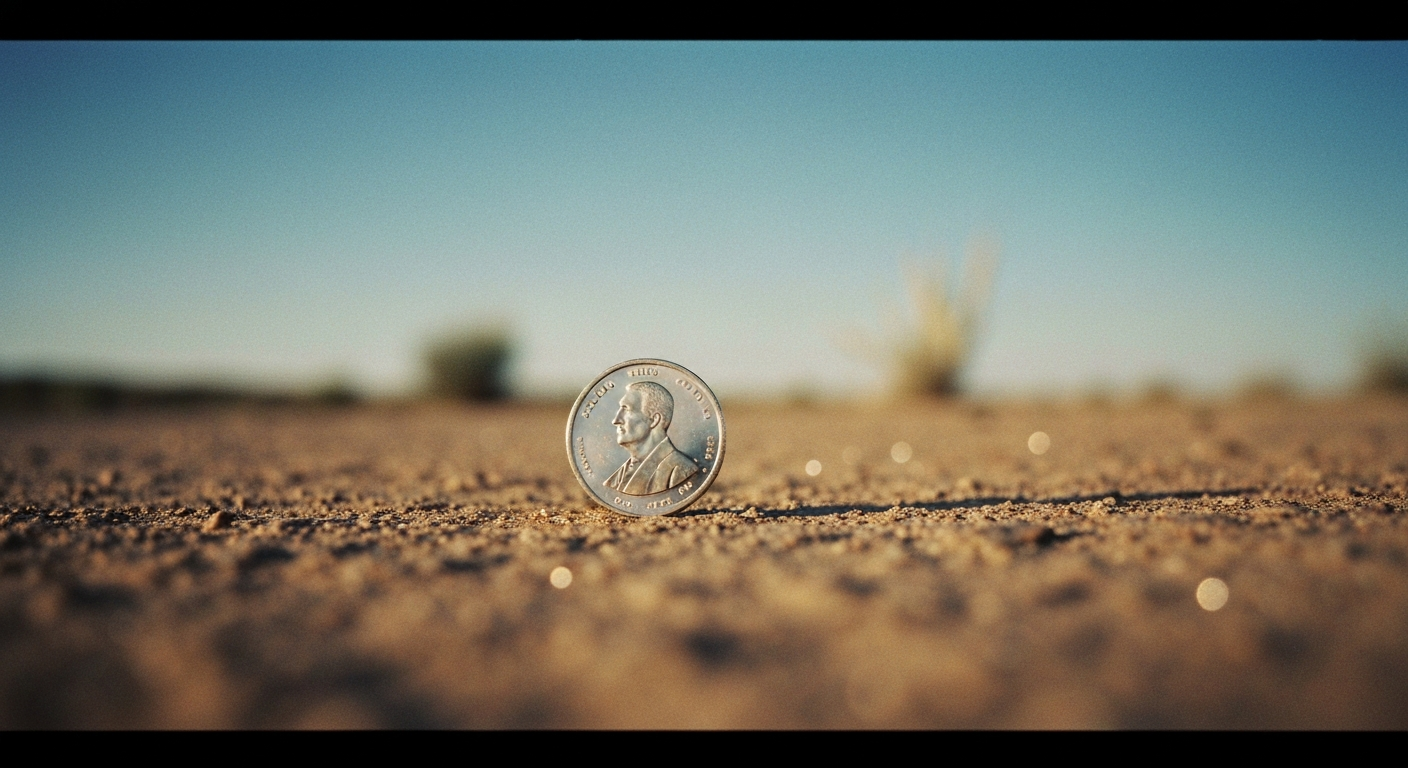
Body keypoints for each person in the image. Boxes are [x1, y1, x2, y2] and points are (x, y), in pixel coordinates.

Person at [604, 381, 700, 496]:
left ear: (654, 420)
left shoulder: (680, 469)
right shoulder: (621, 474)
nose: (616, 420)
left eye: (626, 409)